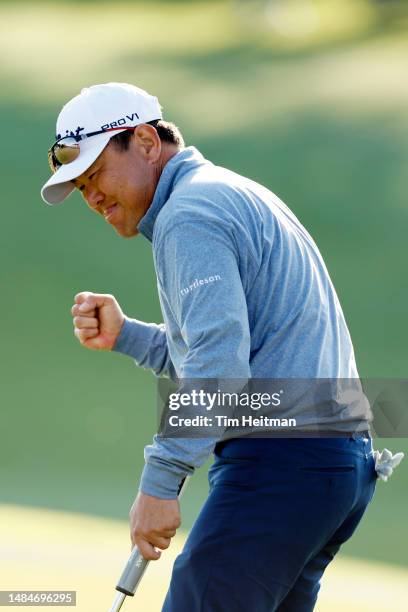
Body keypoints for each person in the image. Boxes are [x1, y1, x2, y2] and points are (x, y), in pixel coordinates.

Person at [41, 82, 378, 611]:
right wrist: (127, 335)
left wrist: (161, 481)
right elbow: (229, 359)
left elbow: (218, 368)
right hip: (332, 467)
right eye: (81, 187)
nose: (93, 197)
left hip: (282, 464)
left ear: (147, 142)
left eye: (96, 174)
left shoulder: (189, 216)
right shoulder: (221, 191)